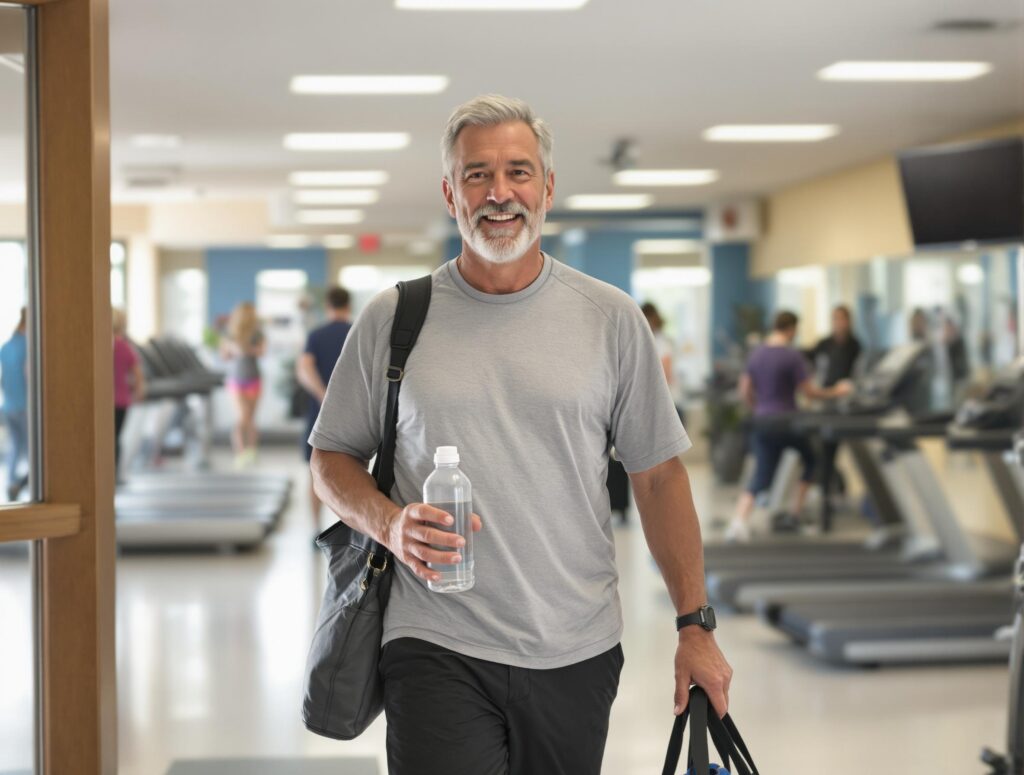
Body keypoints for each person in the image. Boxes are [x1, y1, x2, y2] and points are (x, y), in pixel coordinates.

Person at [308, 94, 732, 775]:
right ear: (450, 191)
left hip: (574, 645)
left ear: (548, 187)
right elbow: (329, 457)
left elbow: (658, 477)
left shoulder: (611, 319)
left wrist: (694, 624)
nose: (498, 193)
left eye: (517, 171)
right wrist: (388, 523)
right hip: (433, 637)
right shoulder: (396, 316)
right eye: (476, 174)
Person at [726, 310, 852, 542]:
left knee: (762, 473)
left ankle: (739, 521)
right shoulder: (791, 356)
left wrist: (758, 407)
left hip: (763, 421)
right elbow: (809, 392)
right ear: (791, 329)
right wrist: (837, 391)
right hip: (788, 422)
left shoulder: (757, 354)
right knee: (813, 460)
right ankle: (794, 513)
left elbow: (744, 389)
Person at [295, 286, 352, 535]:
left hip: (319, 412)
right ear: (348, 305)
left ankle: (316, 529)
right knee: (354, 473)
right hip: (351, 413)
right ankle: (351, 529)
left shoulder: (316, 335)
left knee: (315, 471)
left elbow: (305, 368)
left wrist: (322, 394)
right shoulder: (355, 332)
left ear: (327, 306)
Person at [805, 304, 862, 526]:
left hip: (845, 405)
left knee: (832, 452)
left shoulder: (855, 345)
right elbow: (807, 359)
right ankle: (827, 501)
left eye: (842, 319)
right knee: (824, 452)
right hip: (825, 401)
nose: (839, 323)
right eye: (835, 319)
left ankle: (835, 491)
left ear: (848, 321)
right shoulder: (824, 344)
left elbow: (859, 372)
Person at [222, 301, 265, 467]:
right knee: (242, 417)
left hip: (254, 378)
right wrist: (234, 348)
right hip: (237, 380)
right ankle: (240, 452)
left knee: (251, 418)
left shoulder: (257, 333)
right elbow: (224, 355)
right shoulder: (231, 333)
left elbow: (262, 352)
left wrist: (246, 349)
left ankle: (252, 451)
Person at [112, 308, 145, 478]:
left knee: (108, 439)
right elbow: (137, 373)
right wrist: (139, 391)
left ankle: (111, 474)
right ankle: (115, 474)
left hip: (108, 401)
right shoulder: (124, 347)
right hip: (121, 401)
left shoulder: (103, 346)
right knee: (116, 438)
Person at [1, 308, 29, 501]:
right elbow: (28, 375)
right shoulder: (29, 346)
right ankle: (24, 484)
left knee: (15, 446)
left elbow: (3, 379)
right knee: (31, 451)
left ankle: (11, 482)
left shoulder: (6, 346)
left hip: (9, 405)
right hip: (25, 405)